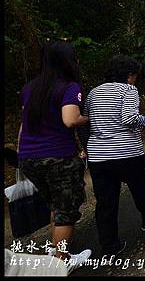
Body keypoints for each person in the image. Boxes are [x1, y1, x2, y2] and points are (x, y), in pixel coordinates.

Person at [17, 41, 92, 274]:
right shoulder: (69, 87)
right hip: (57, 157)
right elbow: (70, 119)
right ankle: (62, 262)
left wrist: (21, 153)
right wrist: (88, 117)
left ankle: (55, 251)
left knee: (54, 203)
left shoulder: (30, 88)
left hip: (29, 156)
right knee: (66, 210)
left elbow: (23, 125)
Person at [84, 55, 145, 257]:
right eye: (134, 77)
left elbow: (87, 118)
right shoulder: (128, 89)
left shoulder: (94, 92)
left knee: (106, 202)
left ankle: (109, 246)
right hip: (126, 152)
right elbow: (129, 118)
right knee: (142, 187)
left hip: (98, 156)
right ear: (130, 75)